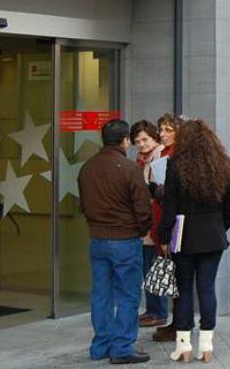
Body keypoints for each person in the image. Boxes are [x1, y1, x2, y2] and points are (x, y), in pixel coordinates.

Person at [158, 119, 230, 363]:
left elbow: (169, 208)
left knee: (183, 291)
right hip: (213, 235)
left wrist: (163, 237)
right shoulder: (223, 164)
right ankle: (206, 344)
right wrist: (221, 226)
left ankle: (183, 346)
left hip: (184, 236)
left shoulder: (175, 166)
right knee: (206, 288)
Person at [78, 119, 152, 364]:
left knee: (101, 294)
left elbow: (83, 205)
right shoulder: (130, 168)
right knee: (129, 295)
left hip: (97, 239)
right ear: (125, 141)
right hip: (125, 240)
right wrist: (141, 230)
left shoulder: (87, 168)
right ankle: (122, 347)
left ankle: (100, 345)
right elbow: (143, 209)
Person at [130, 120, 167, 328]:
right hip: (147, 220)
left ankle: (158, 311)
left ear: (154, 137)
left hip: (155, 219)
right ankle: (153, 309)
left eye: (145, 139)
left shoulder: (159, 156)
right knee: (149, 266)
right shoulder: (143, 158)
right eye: (137, 141)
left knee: (153, 266)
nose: (141, 144)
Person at [152, 113, 182, 342]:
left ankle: (179, 324)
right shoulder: (161, 154)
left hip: (174, 222)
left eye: (168, 129)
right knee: (170, 273)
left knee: (178, 273)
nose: (162, 134)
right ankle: (174, 322)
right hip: (161, 215)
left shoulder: (179, 156)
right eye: (161, 129)